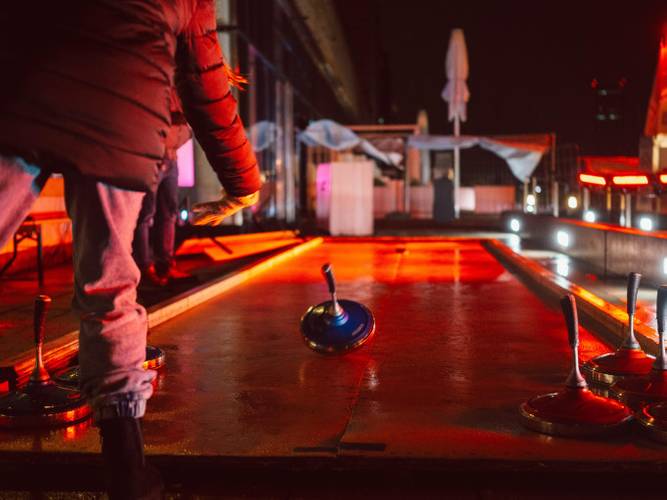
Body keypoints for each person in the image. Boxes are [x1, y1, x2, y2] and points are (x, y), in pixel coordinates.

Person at [0, 2, 260, 498]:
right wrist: (243, 182)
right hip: (120, 114)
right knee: (110, 289)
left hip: (24, 88)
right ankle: (127, 468)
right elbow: (206, 84)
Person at [134, 90, 193, 287]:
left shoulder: (178, 90)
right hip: (153, 157)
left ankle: (164, 265)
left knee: (169, 212)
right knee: (145, 213)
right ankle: (144, 267)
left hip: (171, 157)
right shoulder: (158, 87)